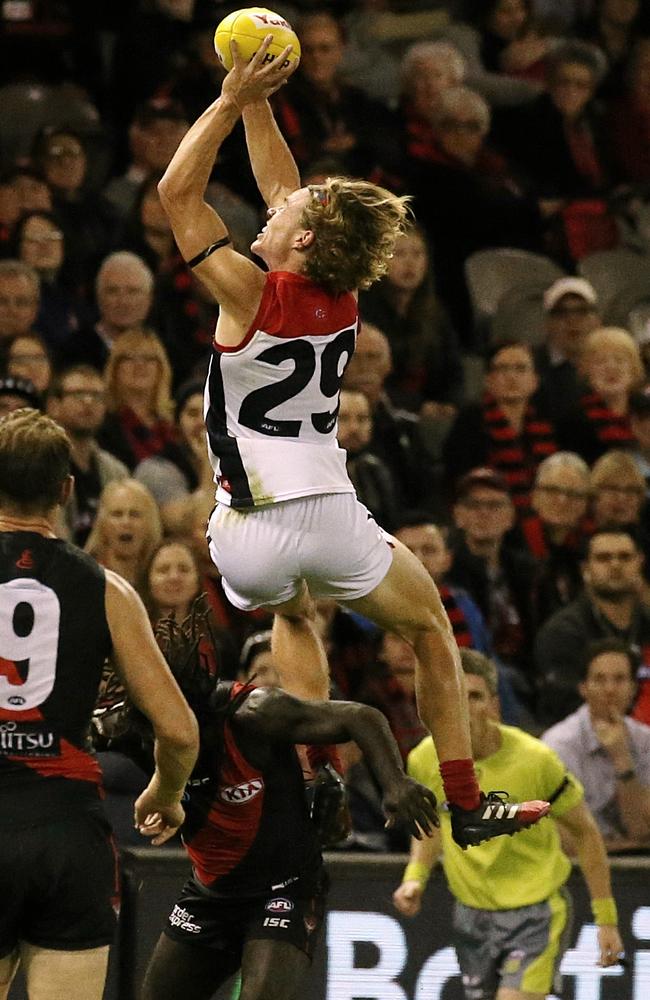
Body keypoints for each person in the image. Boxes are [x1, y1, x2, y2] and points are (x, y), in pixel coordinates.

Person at [157, 35, 550, 846]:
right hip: (328, 515)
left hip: (246, 533)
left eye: (293, 212)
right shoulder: (338, 294)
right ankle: (467, 802)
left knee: (295, 623)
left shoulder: (247, 290)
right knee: (431, 632)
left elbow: (175, 191)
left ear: (299, 240)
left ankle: (317, 779)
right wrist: (261, 97)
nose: (280, 205)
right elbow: (285, 187)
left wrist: (230, 99)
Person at [133, 599, 438, 1000]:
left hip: (284, 888)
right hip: (209, 894)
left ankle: (288, 593)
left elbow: (360, 717)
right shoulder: (133, 721)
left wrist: (395, 784)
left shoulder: (253, 712)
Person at [0, 408, 198, 1000]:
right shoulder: (108, 589)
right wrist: (165, 795)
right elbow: (180, 730)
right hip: (67, 830)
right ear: (66, 490)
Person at [393, 648, 624, 1000]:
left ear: (493, 704)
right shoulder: (425, 759)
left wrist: (606, 919)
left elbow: (586, 833)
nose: (465, 707)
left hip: (536, 915)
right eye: (455, 696)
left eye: (475, 696)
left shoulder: (536, 760)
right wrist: (415, 878)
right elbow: (434, 823)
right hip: (471, 916)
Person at [534, 526, 650, 726]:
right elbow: (565, 704)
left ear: (640, 562)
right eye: (603, 558)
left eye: (625, 557)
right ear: (585, 569)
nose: (615, 565)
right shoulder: (562, 632)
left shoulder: (646, 620)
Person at [543, 638, 650, 851]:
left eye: (619, 679)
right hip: (578, 870)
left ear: (632, 688)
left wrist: (622, 760)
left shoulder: (645, 740)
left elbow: (642, 830)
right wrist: (622, 847)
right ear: (583, 688)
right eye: (599, 680)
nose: (610, 689)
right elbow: (562, 837)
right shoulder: (558, 745)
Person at [47, 365, 129, 547]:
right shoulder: (43, 467)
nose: (88, 402)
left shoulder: (116, 470)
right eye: (78, 394)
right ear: (54, 405)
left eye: (97, 396)